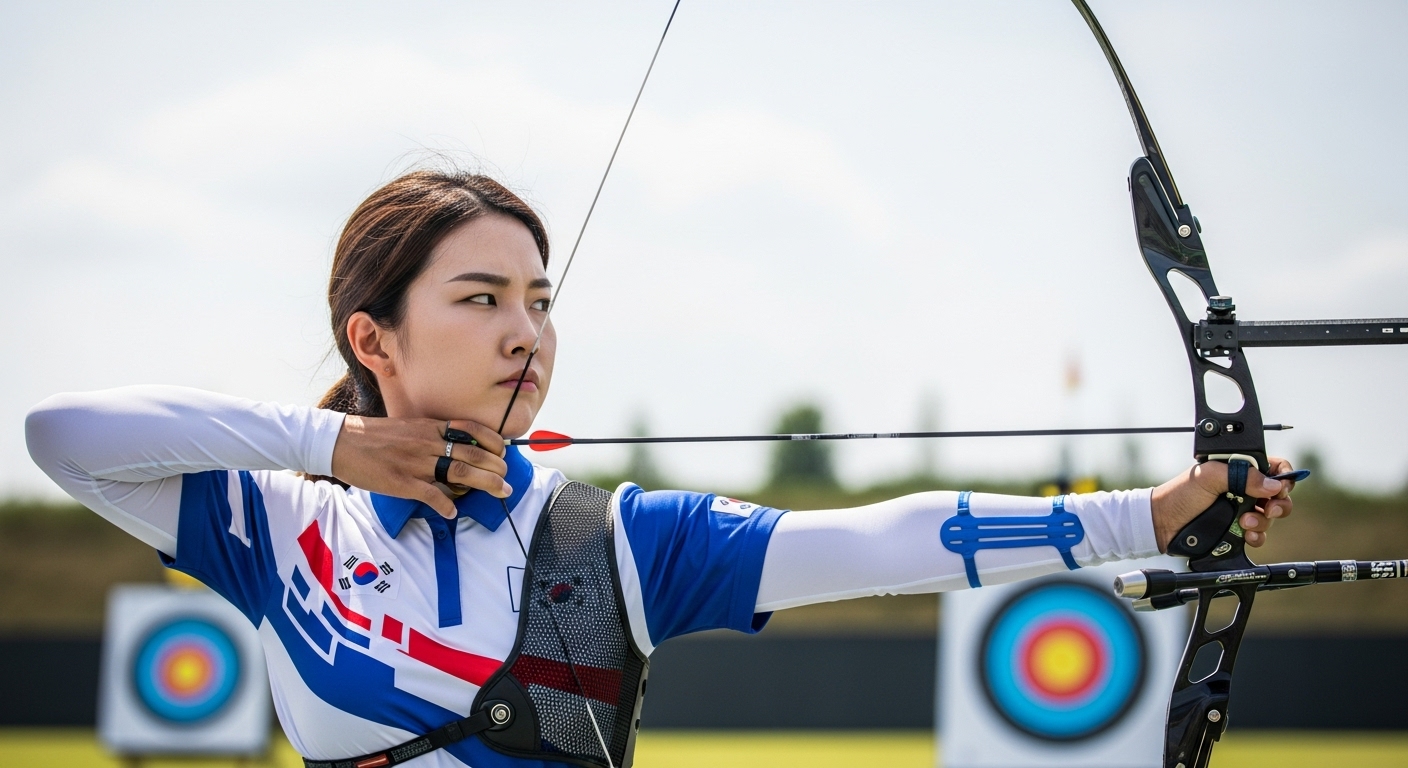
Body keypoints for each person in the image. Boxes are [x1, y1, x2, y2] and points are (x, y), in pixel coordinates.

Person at [25, 170, 1297, 768]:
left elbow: (875, 542)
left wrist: (1150, 511)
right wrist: (335, 443)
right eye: (479, 299)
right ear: (374, 338)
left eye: (538, 298)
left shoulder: (609, 541)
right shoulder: (274, 524)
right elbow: (63, 436)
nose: (527, 331)